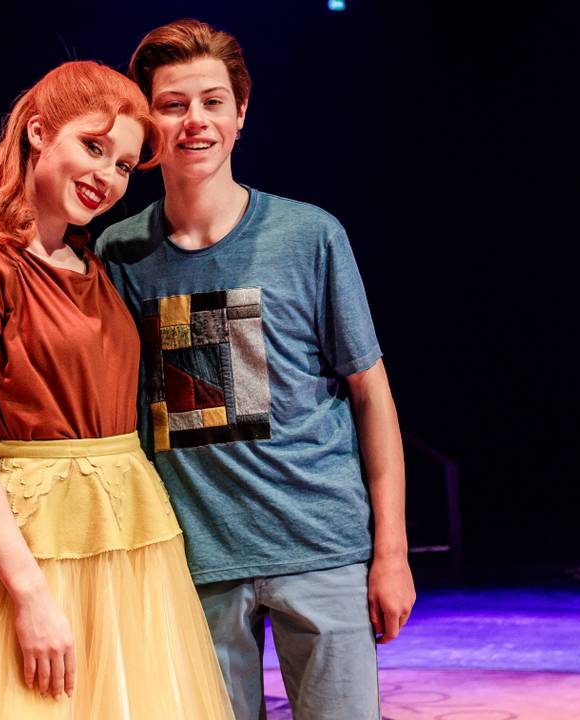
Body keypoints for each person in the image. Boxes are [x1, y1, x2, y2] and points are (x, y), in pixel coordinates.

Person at [0, 60, 233, 719]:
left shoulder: (93, 264)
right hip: (33, 545)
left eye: (125, 166)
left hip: (128, 536)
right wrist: (30, 594)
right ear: (40, 132)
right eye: (93, 147)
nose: (107, 177)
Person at [95, 20, 417, 719]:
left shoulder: (310, 236)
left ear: (242, 113)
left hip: (321, 547)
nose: (195, 121)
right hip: (194, 564)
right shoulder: (119, 253)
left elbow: (372, 396)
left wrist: (390, 552)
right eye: (173, 104)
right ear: (148, 125)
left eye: (213, 101)